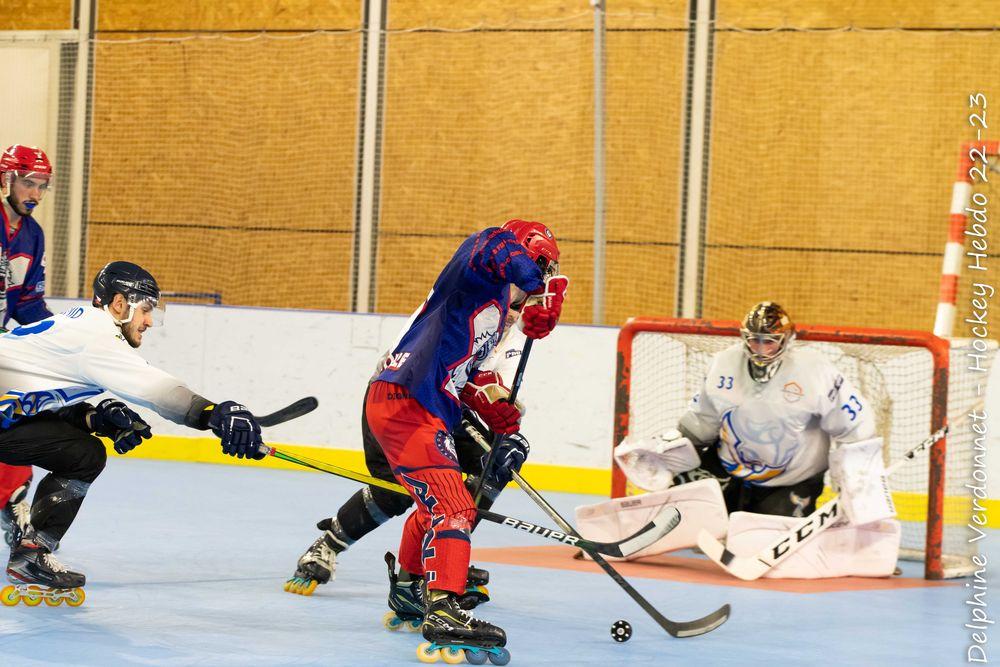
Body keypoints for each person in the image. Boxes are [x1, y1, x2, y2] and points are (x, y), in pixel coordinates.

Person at [351, 220, 565, 659]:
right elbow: (490, 240)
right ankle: (444, 608)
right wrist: (536, 284)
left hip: (427, 404)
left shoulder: (496, 315)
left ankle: (410, 588)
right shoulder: (477, 275)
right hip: (408, 398)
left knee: (441, 505)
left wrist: (494, 407)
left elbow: (464, 376)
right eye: (541, 270)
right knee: (454, 507)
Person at [0, 260, 267, 602]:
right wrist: (214, 414)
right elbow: (157, 391)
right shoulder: (98, 338)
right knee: (83, 455)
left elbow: (31, 398)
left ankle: (31, 554)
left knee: (83, 454)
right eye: (146, 309)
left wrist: (94, 419)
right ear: (119, 303)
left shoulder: (78, 327)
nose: (149, 321)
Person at [286, 320, 531, 623]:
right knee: (399, 489)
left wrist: (504, 417)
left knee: (495, 463)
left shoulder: (515, 338)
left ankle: (441, 558)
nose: (513, 313)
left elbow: (500, 394)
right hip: (401, 398)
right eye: (513, 301)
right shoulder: (461, 304)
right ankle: (330, 543)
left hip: (452, 409)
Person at [0, 145, 57, 550]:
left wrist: (61, 336)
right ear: (6, 179)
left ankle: (13, 498)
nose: (35, 194)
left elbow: (27, 304)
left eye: (42, 185)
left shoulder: (33, 235)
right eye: (28, 183)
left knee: (19, 412)